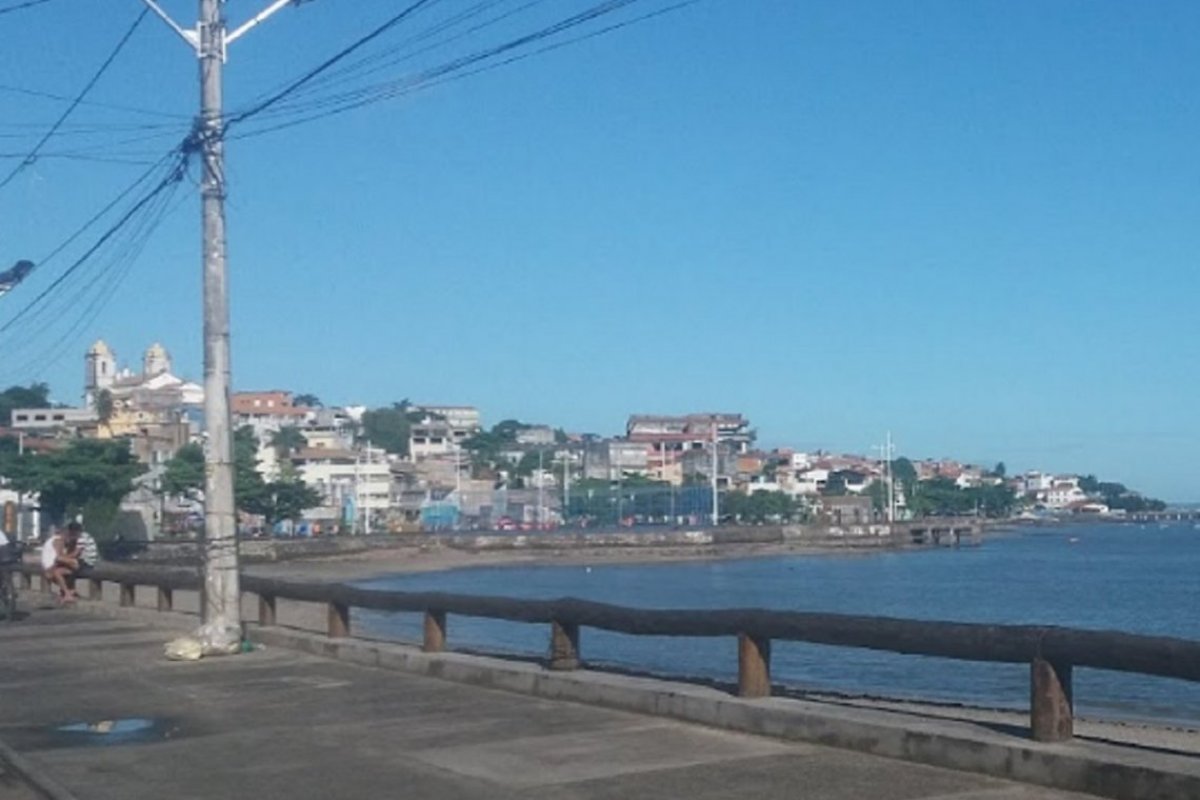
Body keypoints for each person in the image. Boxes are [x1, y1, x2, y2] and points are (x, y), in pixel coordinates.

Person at [41, 524, 82, 603]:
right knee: (59, 572)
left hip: (48, 567)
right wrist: (72, 560)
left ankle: (68, 592)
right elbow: (59, 557)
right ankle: (68, 593)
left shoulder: (54, 539)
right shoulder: (59, 540)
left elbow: (60, 557)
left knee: (61, 570)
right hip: (50, 567)